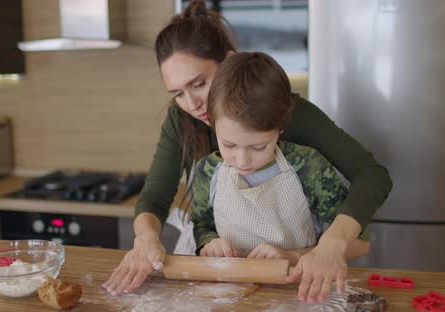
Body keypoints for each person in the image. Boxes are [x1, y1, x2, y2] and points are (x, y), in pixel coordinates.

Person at [103, 0, 392, 303]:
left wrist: (331, 244)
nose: (192, 104)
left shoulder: (289, 114)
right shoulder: (182, 121)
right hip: (218, 280)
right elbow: (155, 198)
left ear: (230, 61)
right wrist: (146, 239)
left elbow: (372, 176)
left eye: (199, 84)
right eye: (178, 93)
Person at [191, 51, 371, 268]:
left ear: (281, 127)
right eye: (229, 145)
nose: (242, 160)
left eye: (258, 147)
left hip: (299, 293)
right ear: (212, 123)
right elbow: (202, 226)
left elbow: (360, 244)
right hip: (230, 294)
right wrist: (209, 243)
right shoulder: (208, 171)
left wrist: (293, 257)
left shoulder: (309, 167)